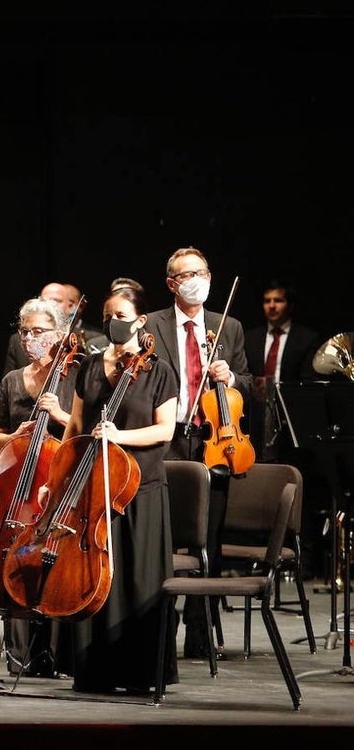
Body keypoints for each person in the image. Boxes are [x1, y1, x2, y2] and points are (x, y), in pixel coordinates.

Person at [58, 282, 178, 694]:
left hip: (139, 487)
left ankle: (143, 671)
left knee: (136, 578)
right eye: (108, 316)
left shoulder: (158, 370)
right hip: (91, 483)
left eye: (122, 317)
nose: (113, 323)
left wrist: (118, 437)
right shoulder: (89, 366)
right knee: (93, 573)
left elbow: (165, 430)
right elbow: (75, 427)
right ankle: (96, 670)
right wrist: (57, 477)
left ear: (141, 321)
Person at [142, 246, 253, 660]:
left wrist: (232, 378)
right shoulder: (151, 324)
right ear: (172, 283)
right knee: (165, 538)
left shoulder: (230, 327)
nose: (197, 280)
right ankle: (159, 627)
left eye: (202, 272)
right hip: (169, 439)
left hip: (215, 439)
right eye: (187, 274)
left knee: (210, 539)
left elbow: (246, 383)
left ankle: (201, 631)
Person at [0, 296, 77, 677]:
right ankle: (20, 653)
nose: (31, 338)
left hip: (59, 482)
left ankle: (59, 651)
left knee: (57, 562)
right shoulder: (12, 380)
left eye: (39, 331)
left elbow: (85, 429)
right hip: (21, 487)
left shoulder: (74, 376)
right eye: (25, 332)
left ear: (59, 334)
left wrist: (59, 414)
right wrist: (14, 436)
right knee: (16, 557)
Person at [243, 279, 323, 463]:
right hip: (255, 416)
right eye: (267, 301)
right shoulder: (250, 337)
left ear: (290, 305)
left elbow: (308, 381)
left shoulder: (306, 338)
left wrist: (276, 389)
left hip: (290, 418)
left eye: (278, 300)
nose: (271, 306)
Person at [2, 281, 100, 375]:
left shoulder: (90, 339)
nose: (49, 305)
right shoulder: (18, 340)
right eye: (44, 300)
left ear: (69, 306)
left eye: (56, 301)